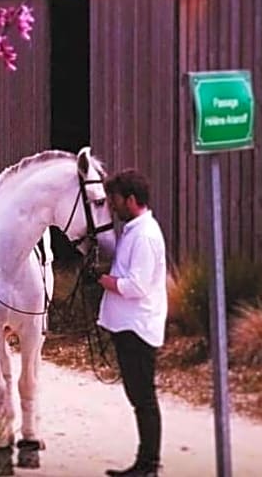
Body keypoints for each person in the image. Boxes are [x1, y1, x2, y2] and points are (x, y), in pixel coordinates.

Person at [97, 169, 167, 477]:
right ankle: (144, 463)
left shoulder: (146, 235)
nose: (112, 207)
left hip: (138, 328)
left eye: (115, 200)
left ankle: (148, 465)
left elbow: (136, 286)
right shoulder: (134, 231)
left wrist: (101, 279)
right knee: (138, 397)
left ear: (131, 200)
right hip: (127, 327)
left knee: (143, 398)